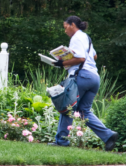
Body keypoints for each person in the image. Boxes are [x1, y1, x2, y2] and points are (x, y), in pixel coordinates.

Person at [48, 15, 118, 151]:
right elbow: (94, 56)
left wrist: (62, 63)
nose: (65, 30)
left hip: (82, 76)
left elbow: (80, 58)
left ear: (72, 25)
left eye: (65, 27)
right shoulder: (86, 37)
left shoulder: (76, 38)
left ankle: (61, 141)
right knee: (83, 111)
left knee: (67, 107)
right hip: (94, 77)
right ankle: (108, 135)